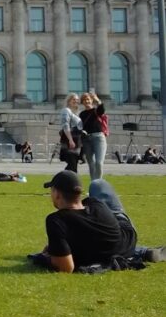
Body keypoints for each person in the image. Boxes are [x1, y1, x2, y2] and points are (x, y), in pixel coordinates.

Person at [29, 171, 166, 272]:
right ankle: (142, 252)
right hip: (125, 243)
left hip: (107, 248)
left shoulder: (56, 220)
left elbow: (66, 267)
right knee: (98, 185)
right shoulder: (96, 205)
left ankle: (142, 251)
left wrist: (48, 256)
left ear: (57, 194)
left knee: (98, 185)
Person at [79, 91, 107, 180]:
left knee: (99, 162)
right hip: (87, 140)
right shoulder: (82, 114)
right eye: (84, 100)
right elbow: (81, 126)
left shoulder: (96, 111)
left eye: (88, 99)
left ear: (91, 100)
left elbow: (102, 109)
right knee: (91, 163)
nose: (86, 101)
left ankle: (98, 184)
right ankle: (93, 184)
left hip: (98, 138)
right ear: (82, 102)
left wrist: (97, 99)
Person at [59, 93, 82, 174]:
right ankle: (60, 181)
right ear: (69, 101)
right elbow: (65, 125)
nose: (76, 101)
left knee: (73, 164)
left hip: (77, 140)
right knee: (72, 165)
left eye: (77, 99)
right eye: (73, 99)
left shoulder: (76, 113)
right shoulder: (66, 110)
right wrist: (70, 140)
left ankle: (63, 182)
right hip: (70, 140)